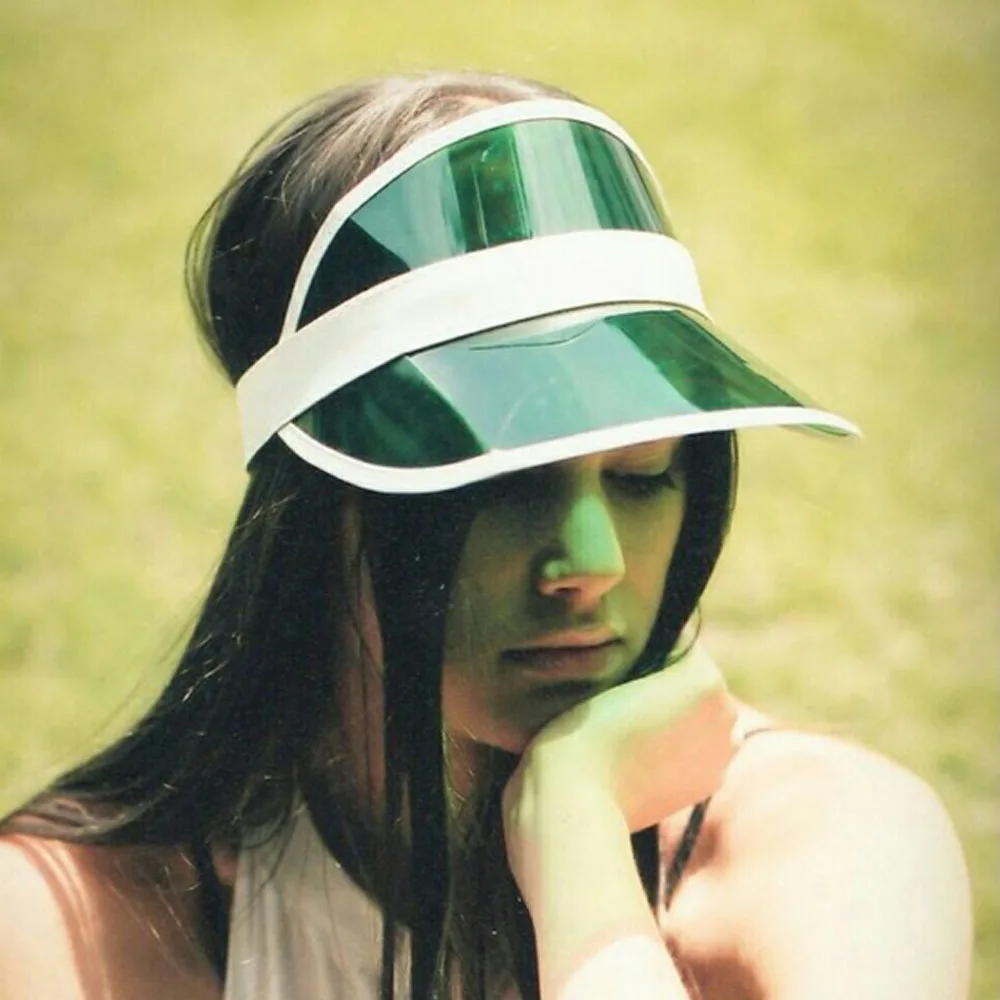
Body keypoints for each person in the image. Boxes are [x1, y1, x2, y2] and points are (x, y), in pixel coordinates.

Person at [0, 71, 972, 1000]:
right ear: (321, 506)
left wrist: (576, 833)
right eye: (504, 484)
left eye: (642, 477)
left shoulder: (833, 846)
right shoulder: (81, 923)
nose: (591, 564)